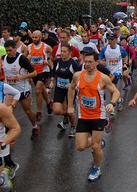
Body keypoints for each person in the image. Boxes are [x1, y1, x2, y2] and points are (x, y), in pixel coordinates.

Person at [67, 52, 120, 181]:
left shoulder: (103, 78)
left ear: (97, 62)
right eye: (86, 61)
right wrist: (70, 105)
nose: (87, 64)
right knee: (80, 146)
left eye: (90, 62)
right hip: (83, 115)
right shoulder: (78, 76)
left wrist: (112, 103)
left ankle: (97, 168)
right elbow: (71, 88)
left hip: (98, 115)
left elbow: (116, 91)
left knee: (95, 146)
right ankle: (99, 140)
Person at [2, 40, 39, 141]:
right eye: (6, 50)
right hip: (10, 89)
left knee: (27, 111)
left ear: (15, 48)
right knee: (8, 111)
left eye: (10, 50)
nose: (8, 52)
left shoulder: (22, 59)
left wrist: (22, 77)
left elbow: (34, 73)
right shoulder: (4, 58)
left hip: (22, 90)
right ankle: (9, 132)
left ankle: (35, 126)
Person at [50, 44, 81, 138]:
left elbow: (79, 76)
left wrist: (76, 85)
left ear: (70, 53)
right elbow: (53, 72)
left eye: (64, 51)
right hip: (59, 88)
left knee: (70, 111)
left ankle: (73, 127)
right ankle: (65, 116)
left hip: (70, 90)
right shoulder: (57, 62)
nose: (62, 53)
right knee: (56, 110)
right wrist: (51, 81)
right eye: (61, 51)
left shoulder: (73, 63)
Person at [27, 31, 53, 123]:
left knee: (37, 90)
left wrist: (48, 61)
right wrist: (28, 58)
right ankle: (49, 102)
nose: (34, 39)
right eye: (33, 37)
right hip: (34, 72)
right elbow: (25, 59)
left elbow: (52, 55)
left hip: (43, 71)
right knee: (41, 90)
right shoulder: (29, 47)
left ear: (40, 37)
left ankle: (38, 112)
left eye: (36, 37)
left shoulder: (46, 47)